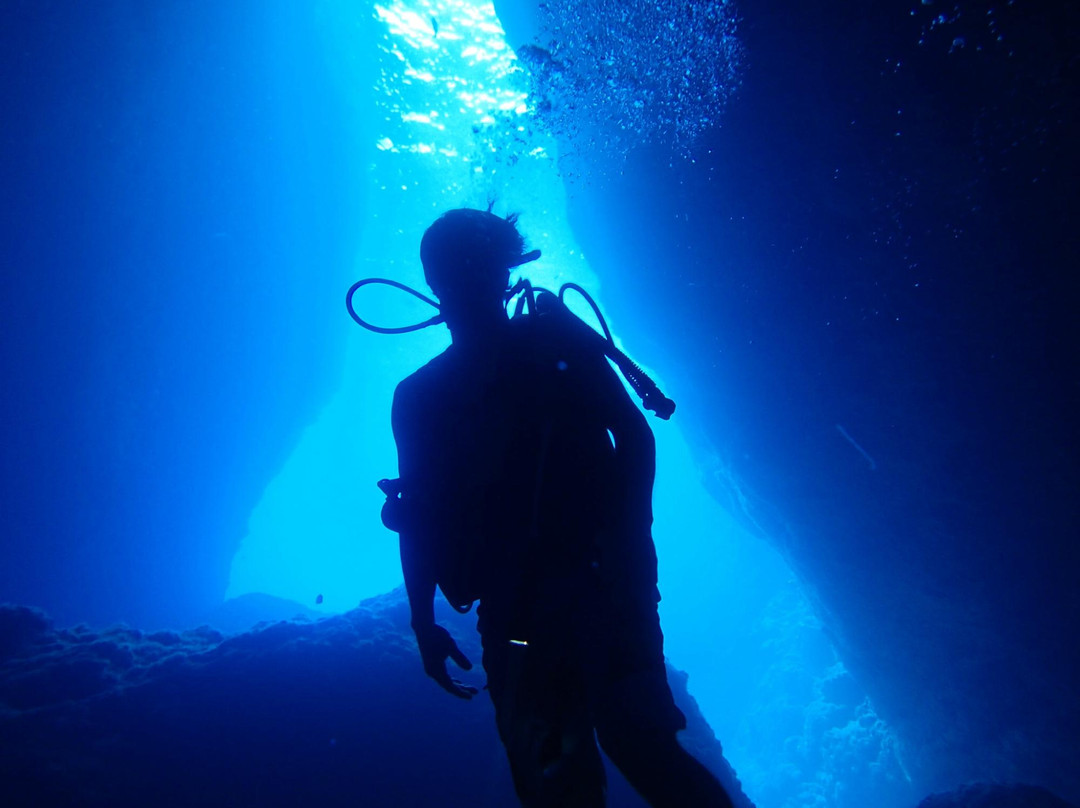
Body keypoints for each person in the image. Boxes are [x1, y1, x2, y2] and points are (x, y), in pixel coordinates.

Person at [389, 208, 734, 807]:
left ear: (432, 280)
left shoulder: (424, 393)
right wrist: (630, 550)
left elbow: (417, 518)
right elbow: (635, 437)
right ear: (507, 269)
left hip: (526, 612)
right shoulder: (553, 344)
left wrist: (425, 622)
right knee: (647, 750)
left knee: (561, 780)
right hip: (602, 590)